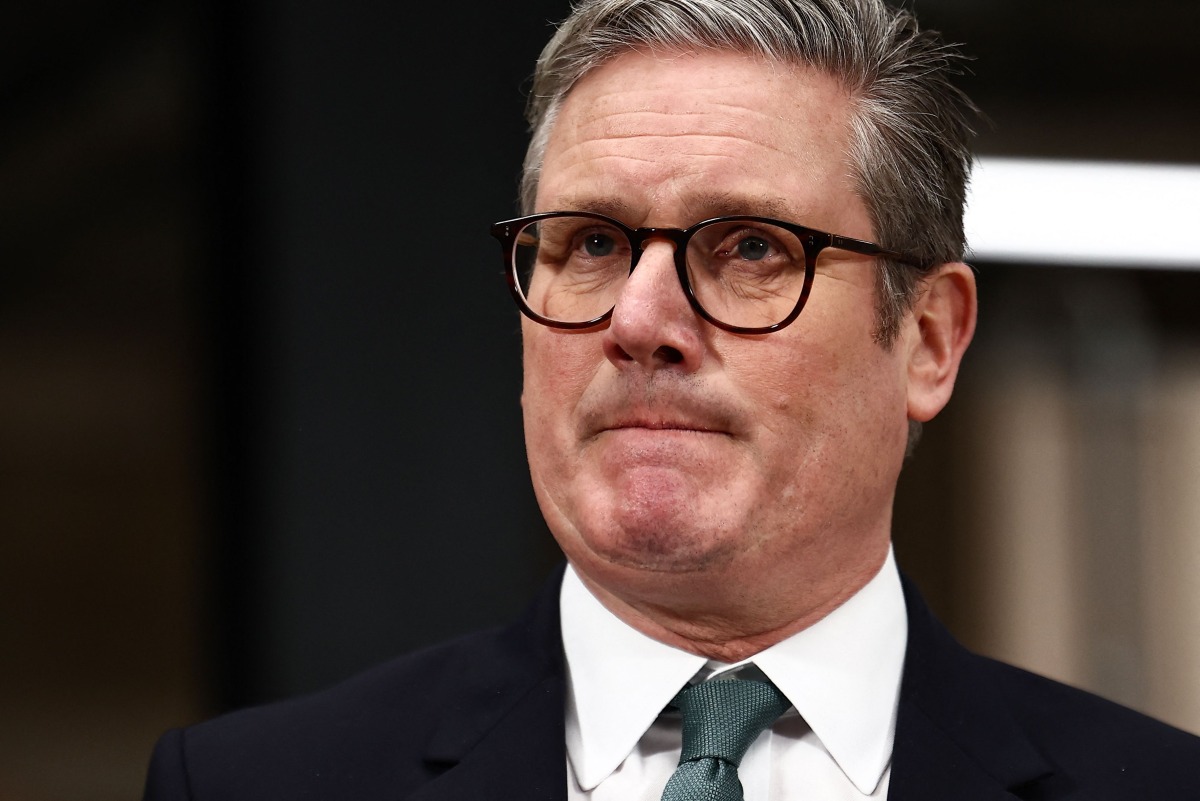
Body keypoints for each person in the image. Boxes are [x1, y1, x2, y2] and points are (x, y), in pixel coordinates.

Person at [143, 0, 1200, 798]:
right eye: (592, 243)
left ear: (926, 339)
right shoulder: (255, 783)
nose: (639, 321)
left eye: (749, 247)